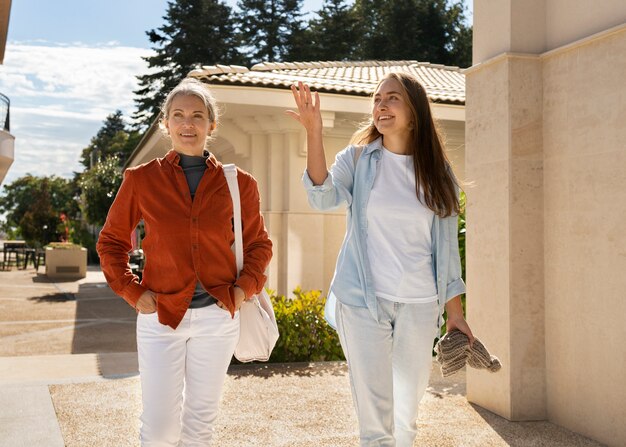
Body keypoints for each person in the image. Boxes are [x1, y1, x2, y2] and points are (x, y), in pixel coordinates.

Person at [287, 73, 474, 447]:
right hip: (362, 302)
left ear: (414, 114)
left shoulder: (439, 176)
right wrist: (314, 132)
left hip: (421, 306)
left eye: (393, 98)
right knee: (376, 424)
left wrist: (455, 313)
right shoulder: (357, 159)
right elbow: (323, 198)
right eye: (377, 99)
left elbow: (447, 253)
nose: (382, 105)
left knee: (405, 418)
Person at [97, 78, 272, 446]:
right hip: (161, 317)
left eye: (197, 115)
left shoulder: (240, 184)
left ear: (212, 125)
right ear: (166, 123)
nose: (187, 124)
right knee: (159, 429)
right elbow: (111, 242)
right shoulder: (141, 180)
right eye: (178, 115)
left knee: (199, 426)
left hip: (217, 319)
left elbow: (259, 245)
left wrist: (242, 291)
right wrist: (133, 292)